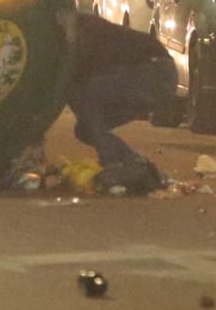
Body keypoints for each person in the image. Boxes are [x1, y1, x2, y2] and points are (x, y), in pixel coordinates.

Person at [68, 13, 176, 194]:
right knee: (85, 129)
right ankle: (135, 164)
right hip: (152, 74)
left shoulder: (86, 31)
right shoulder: (75, 38)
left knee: (88, 95)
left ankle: (113, 162)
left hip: (155, 70)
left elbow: (83, 89)